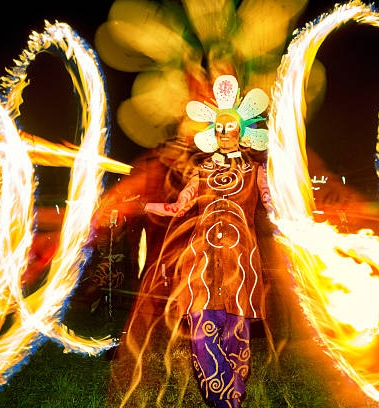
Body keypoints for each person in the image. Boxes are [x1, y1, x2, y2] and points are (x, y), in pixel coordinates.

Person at [121, 75, 272, 408]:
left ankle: (233, 397)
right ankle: (227, 403)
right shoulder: (200, 171)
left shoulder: (257, 171)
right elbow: (179, 206)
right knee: (202, 335)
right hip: (201, 263)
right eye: (218, 127)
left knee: (236, 337)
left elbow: (272, 205)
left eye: (230, 126)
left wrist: (292, 219)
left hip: (240, 264)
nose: (223, 132)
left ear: (243, 130)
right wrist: (142, 206)